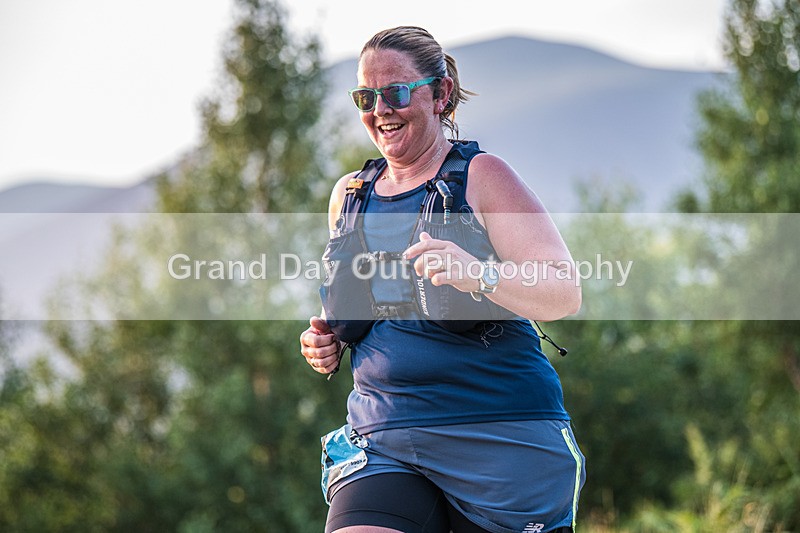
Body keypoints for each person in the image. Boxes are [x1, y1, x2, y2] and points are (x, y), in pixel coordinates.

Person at [299, 26, 585, 533]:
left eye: (397, 92)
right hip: (383, 438)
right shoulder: (349, 195)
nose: (380, 109)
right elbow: (372, 301)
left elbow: (563, 291)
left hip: (500, 441)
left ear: (441, 95)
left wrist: (478, 274)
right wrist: (325, 338)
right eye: (366, 96)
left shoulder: (483, 176)